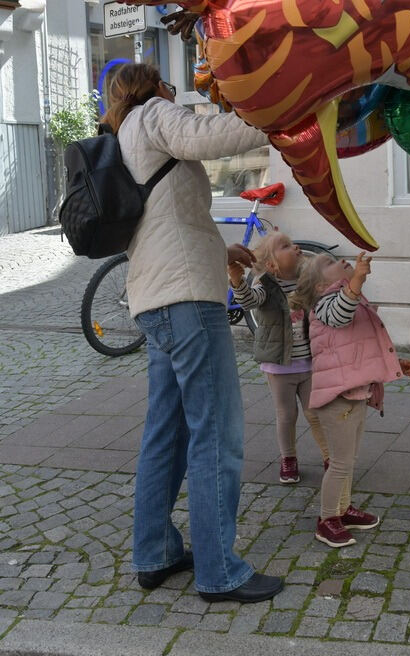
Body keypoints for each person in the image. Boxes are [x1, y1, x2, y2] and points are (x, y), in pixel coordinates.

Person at [103, 62, 283, 603]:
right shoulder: (155, 115)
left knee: (168, 432)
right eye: (168, 84)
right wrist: (282, 114)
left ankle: (155, 552)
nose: (174, 91)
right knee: (216, 433)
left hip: (156, 299)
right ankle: (219, 570)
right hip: (186, 302)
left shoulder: (123, 135)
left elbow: (164, 220)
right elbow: (215, 135)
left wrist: (217, 247)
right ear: (150, 87)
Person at [292, 252, 410, 548]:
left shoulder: (353, 300)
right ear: (321, 286)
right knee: (340, 463)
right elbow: (340, 312)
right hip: (337, 399)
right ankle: (326, 520)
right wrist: (358, 279)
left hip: (356, 393)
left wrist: (395, 363)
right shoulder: (325, 306)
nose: (340, 261)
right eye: (330, 263)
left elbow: (362, 346)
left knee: (348, 460)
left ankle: (343, 510)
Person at [228, 232, 330, 484]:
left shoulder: (306, 281)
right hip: (279, 365)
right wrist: (237, 281)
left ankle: (330, 457)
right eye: (285, 246)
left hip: (308, 361)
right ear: (273, 263)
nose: (294, 246)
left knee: (314, 412)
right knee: (287, 415)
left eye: (292, 243)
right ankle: (288, 458)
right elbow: (250, 302)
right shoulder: (265, 284)